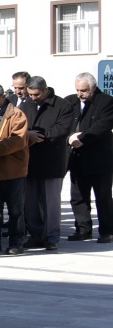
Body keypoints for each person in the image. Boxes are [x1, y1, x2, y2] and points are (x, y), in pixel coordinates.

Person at [22, 76, 77, 252]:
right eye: (30, 94)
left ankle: (51, 236)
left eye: (36, 94)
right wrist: (28, 135)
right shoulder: (25, 105)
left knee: (51, 203)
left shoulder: (62, 105)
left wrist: (39, 136)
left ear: (46, 90)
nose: (33, 98)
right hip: (30, 160)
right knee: (30, 203)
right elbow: (19, 126)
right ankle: (35, 235)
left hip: (52, 160)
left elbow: (63, 128)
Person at [0, 83, 29, 255]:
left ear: (2, 97)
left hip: (12, 171)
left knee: (15, 209)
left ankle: (16, 242)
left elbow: (17, 140)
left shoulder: (16, 115)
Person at [67, 72, 113, 243]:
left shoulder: (106, 101)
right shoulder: (70, 101)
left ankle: (107, 230)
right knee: (78, 197)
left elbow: (103, 125)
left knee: (103, 197)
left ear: (93, 88)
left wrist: (82, 138)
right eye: (78, 90)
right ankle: (83, 229)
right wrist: (69, 138)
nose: (80, 94)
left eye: (84, 90)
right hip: (76, 158)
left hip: (99, 158)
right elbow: (64, 124)